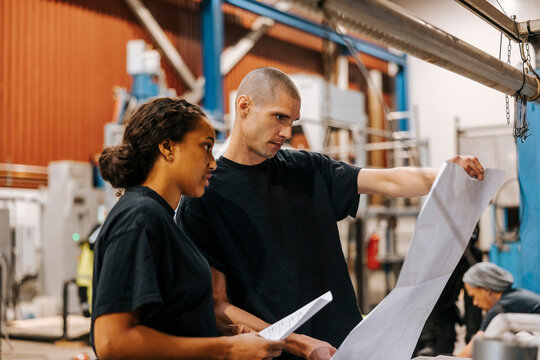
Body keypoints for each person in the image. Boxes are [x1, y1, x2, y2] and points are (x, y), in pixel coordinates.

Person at [176, 67, 485, 360]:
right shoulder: (205, 194)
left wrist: (446, 174)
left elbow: (386, 180)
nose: (286, 131)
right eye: (279, 117)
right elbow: (218, 305)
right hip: (278, 353)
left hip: (343, 348)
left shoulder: (307, 170)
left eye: (292, 122)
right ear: (244, 106)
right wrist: (296, 343)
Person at [92, 98, 284, 360]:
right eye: (205, 147)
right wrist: (227, 350)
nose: (213, 163)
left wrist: (214, 334)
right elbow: (112, 341)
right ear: (168, 147)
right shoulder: (140, 218)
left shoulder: (160, 218)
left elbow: (163, 321)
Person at [413, 225, 482, 357]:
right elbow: (424, 297)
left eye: (469, 242)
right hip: (418, 316)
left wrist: (473, 336)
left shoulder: (472, 256)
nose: (464, 248)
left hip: (445, 312)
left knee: (444, 350)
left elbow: (473, 300)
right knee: (421, 353)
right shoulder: (433, 255)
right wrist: (429, 342)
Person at [456, 262, 540, 357]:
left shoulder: (502, 306)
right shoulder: (513, 297)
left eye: (474, 296)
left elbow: (471, 350)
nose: (475, 302)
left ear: (485, 290)